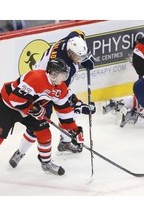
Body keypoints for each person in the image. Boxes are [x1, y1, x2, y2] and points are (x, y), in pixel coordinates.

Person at [0, 58, 83, 176]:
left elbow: (63, 109)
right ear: (53, 74)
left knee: (44, 133)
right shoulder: (36, 78)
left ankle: (46, 163)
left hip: (29, 108)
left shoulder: (60, 87)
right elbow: (15, 100)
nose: (65, 78)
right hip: (9, 107)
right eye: (62, 75)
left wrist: (73, 129)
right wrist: (34, 109)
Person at [8, 30, 96, 169]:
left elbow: (77, 32)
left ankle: (65, 141)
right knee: (40, 125)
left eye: (81, 56)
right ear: (70, 53)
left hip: (42, 81)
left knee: (68, 114)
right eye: (78, 57)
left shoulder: (70, 41)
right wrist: (79, 104)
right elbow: (61, 93)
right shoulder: (65, 67)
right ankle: (21, 152)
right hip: (42, 91)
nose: (79, 60)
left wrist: (85, 58)